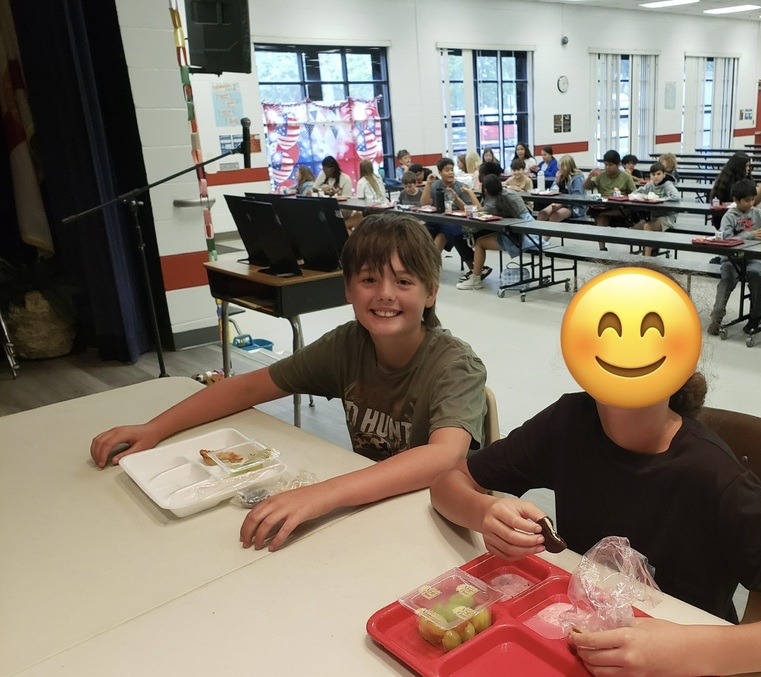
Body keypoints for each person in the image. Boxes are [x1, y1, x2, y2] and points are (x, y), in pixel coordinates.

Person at [430, 273, 761, 677]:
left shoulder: (715, 476)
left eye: (650, 330)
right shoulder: (568, 422)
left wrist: (690, 651)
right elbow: (448, 484)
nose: (627, 346)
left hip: (683, 670)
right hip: (585, 648)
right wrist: (485, 511)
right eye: (609, 328)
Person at [91, 214, 487, 552]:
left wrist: (323, 493)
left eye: (404, 282)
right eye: (369, 279)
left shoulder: (455, 366)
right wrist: (154, 428)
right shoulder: (347, 344)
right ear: (348, 288)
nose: (385, 294)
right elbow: (248, 387)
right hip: (372, 510)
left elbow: (443, 458)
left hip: (442, 525)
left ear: (431, 292)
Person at [458, 175, 540, 291]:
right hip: (531, 231)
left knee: (480, 243)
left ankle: (475, 280)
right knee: (483, 237)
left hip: (522, 236)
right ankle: (476, 276)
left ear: (486, 190)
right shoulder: (510, 193)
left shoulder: (493, 202)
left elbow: (479, 212)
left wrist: (470, 193)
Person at [708, 179, 761, 336]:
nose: (750, 203)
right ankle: (717, 317)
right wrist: (750, 234)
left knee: (756, 276)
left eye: (752, 200)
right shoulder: (729, 216)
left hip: (753, 257)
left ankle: (756, 315)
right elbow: (727, 238)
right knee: (726, 281)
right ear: (736, 200)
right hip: (731, 259)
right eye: (746, 200)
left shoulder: (757, 213)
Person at [421, 157, 481, 274]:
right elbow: (424, 204)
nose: (450, 173)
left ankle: (428, 269)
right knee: (423, 231)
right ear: (440, 172)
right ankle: (427, 267)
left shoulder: (462, 187)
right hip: (438, 221)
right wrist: (428, 184)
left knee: (449, 230)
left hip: (456, 222)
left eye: (451, 169)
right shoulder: (435, 185)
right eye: (446, 170)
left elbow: (469, 210)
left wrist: (456, 198)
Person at [583, 149, 637, 250]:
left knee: (603, 214)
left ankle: (602, 214)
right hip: (605, 207)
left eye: (610, 165)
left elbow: (635, 194)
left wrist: (622, 197)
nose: (607, 167)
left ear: (618, 165)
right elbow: (586, 187)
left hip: (621, 208)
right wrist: (590, 177)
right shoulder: (600, 176)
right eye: (605, 164)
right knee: (601, 219)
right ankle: (602, 249)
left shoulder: (626, 177)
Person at [709, 153, 761, 229]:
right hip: (729, 220)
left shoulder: (746, 179)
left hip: (743, 218)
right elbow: (746, 202)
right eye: (746, 166)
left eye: (749, 165)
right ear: (739, 168)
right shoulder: (730, 183)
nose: (748, 168)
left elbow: (753, 201)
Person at [631, 161, 680, 257]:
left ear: (664, 174)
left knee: (647, 227)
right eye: (653, 174)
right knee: (633, 229)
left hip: (667, 217)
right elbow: (637, 192)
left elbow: (676, 197)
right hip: (654, 216)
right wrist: (640, 196)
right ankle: (651, 249)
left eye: (658, 174)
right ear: (650, 175)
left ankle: (647, 257)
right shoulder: (650, 185)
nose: (656, 177)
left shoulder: (668, 184)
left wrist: (660, 199)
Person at [537, 155, 586, 225]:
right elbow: (551, 191)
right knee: (543, 213)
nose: (559, 169)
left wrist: (561, 205)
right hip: (560, 202)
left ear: (567, 167)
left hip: (575, 207)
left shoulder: (577, 178)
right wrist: (557, 181)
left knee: (556, 216)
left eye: (561, 167)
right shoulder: (561, 176)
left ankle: (544, 236)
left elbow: (577, 198)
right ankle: (537, 235)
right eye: (559, 167)